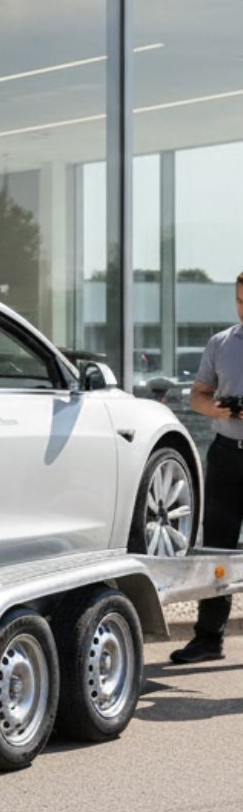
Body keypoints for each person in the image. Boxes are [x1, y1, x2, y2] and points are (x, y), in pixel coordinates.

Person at [170, 270, 243, 664]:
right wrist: (216, 407)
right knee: (217, 547)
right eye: (240, 301)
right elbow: (199, 395)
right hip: (226, 453)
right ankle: (208, 638)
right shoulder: (221, 343)